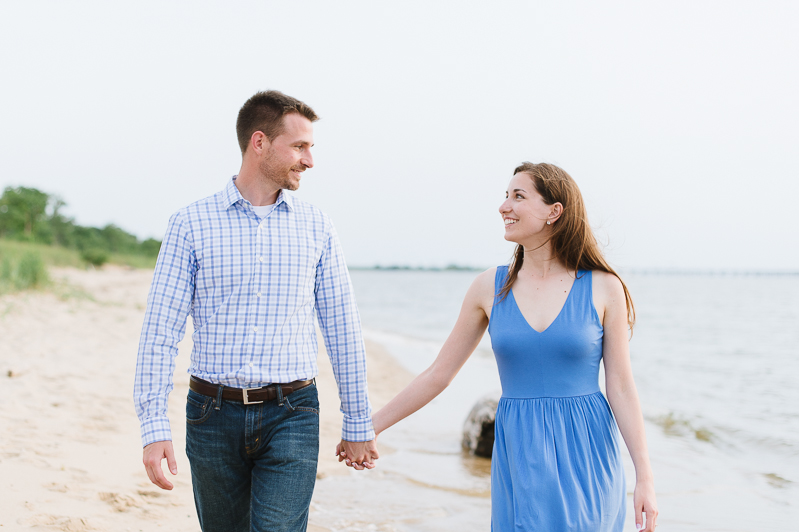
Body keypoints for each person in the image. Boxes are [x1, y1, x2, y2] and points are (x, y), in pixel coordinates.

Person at [340, 162, 658, 531]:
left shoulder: (604, 287)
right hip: (519, 451)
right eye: (505, 196)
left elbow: (620, 386)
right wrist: (370, 427)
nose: (504, 206)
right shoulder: (488, 287)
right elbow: (438, 374)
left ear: (554, 211)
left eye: (518, 196)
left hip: (586, 451)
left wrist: (645, 478)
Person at [134, 90, 378, 532]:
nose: (309, 160)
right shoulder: (190, 224)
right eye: (300, 146)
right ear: (260, 142)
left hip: (293, 413)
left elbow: (342, 327)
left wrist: (358, 421)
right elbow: (160, 332)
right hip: (211, 415)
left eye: (310, 148)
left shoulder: (318, 226)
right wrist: (154, 427)